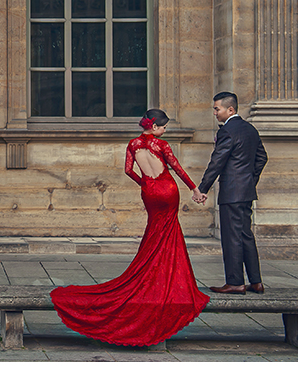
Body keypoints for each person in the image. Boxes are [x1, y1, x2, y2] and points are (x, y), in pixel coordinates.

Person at [50, 109, 210, 347]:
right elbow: (176, 168)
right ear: (154, 127)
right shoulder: (161, 144)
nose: (165, 130)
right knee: (168, 231)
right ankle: (163, 274)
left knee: (155, 230)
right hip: (167, 189)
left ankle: (150, 267)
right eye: (164, 126)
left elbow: (127, 170)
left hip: (150, 191)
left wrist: (144, 183)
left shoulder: (133, 144)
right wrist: (195, 189)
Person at [194, 92, 267, 294]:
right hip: (246, 192)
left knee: (232, 237)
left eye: (217, 109)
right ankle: (256, 281)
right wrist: (250, 181)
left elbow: (217, 162)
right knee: (246, 235)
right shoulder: (250, 129)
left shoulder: (227, 131)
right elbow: (262, 158)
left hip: (232, 193)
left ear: (230, 110)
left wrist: (202, 188)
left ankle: (235, 282)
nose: (215, 113)